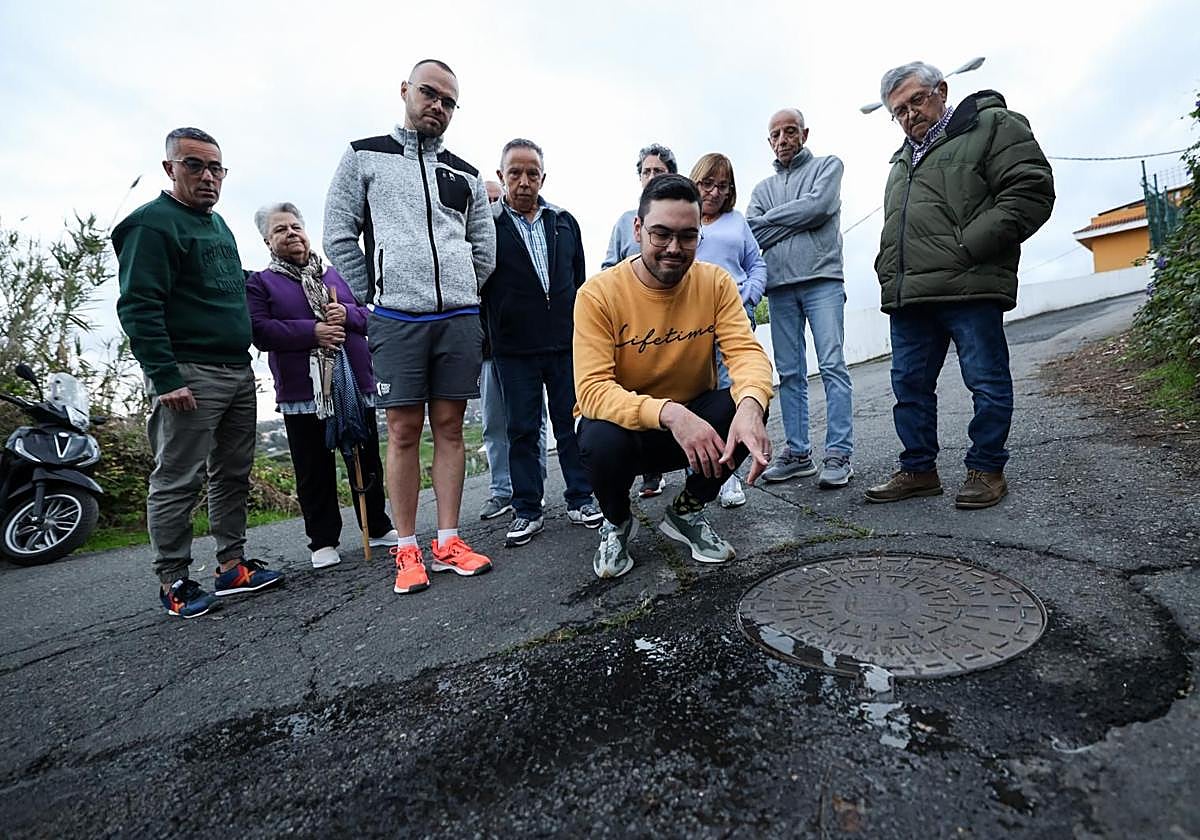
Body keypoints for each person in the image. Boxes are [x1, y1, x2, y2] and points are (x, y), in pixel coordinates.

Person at [323, 59, 497, 595]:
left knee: (449, 428)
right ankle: (406, 549)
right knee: (402, 432)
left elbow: (483, 247)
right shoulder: (363, 155)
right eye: (429, 94)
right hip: (397, 318)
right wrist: (374, 294)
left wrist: (463, 287)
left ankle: (448, 540)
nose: (437, 107)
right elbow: (337, 232)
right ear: (405, 91)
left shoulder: (465, 172)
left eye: (448, 101)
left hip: (458, 318)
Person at [866, 62, 1054, 509]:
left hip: (970, 285)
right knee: (908, 386)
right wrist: (886, 269)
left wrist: (967, 246)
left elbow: (1031, 190)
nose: (910, 114)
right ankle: (919, 470)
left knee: (986, 381)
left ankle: (986, 469)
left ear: (941, 91)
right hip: (911, 294)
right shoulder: (900, 161)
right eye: (899, 110)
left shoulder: (989, 125)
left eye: (917, 100)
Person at [113, 127, 283, 618]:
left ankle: (232, 565)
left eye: (216, 168)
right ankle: (174, 579)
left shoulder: (218, 225)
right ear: (170, 168)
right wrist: (165, 377)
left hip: (235, 369)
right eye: (194, 165)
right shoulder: (151, 225)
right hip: (189, 372)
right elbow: (139, 306)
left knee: (232, 473)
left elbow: (230, 288)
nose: (207, 176)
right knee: (178, 478)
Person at [574, 174, 774, 579]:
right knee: (597, 437)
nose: (674, 248)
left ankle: (687, 511)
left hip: (696, 427)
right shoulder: (597, 294)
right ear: (637, 229)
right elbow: (593, 391)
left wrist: (753, 404)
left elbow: (747, 354)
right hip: (632, 430)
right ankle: (616, 520)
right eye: (661, 234)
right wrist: (671, 414)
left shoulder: (715, 282)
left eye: (687, 237)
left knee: (745, 405)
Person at [246, 203, 398, 569]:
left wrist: (347, 314)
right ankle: (323, 539)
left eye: (296, 226)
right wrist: (311, 331)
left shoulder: (335, 274)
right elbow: (260, 330)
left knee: (364, 455)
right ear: (268, 241)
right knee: (313, 465)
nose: (291, 233)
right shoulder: (261, 283)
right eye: (280, 229)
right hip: (304, 389)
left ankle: (376, 524)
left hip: (352, 380)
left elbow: (370, 315)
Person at [482, 139, 603, 547]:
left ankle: (582, 498)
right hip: (513, 349)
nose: (523, 181)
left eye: (532, 173)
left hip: (566, 344)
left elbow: (579, 281)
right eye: (514, 173)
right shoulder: (487, 227)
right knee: (521, 429)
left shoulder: (563, 222)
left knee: (572, 422)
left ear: (543, 177)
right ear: (501, 177)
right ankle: (527, 509)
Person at [747, 108, 855, 490]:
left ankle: (839, 453)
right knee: (790, 373)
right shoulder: (761, 190)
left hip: (823, 281)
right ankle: (797, 453)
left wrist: (785, 218)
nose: (782, 139)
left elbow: (819, 207)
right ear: (769, 141)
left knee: (832, 365)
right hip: (779, 288)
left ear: (804, 134)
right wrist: (802, 216)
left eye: (789, 131)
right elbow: (753, 235)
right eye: (775, 134)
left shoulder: (828, 167)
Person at [689, 153, 768, 508]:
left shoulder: (737, 222)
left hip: (733, 318)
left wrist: (748, 297)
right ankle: (696, 471)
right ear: (695, 182)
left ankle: (728, 476)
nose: (715, 192)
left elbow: (757, 264)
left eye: (723, 185)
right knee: (695, 397)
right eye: (708, 183)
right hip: (690, 323)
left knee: (732, 394)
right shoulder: (686, 219)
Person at [601, 142, 679, 500]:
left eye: (658, 172)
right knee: (633, 393)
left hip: (671, 325)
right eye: (645, 171)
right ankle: (635, 474)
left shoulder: (681, 218)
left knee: (670, 391)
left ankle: (675, 466)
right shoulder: (623, 221)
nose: (650, 177)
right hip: (630, 327)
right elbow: (607, 268)